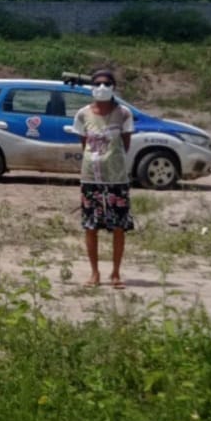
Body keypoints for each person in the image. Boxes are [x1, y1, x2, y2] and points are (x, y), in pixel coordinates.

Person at [72, 68, 134, 289]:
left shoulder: (124, 114)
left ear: (113, 87)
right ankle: (94, 273)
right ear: (91, 86)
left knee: (118, 226)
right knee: (91, 226)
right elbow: (84, 143)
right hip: (91, 179)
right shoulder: (82, 114)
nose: (102, 87)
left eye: (107, 83)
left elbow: (126, 144)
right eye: (97, 83)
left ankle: (116, 273)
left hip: (117, 179)